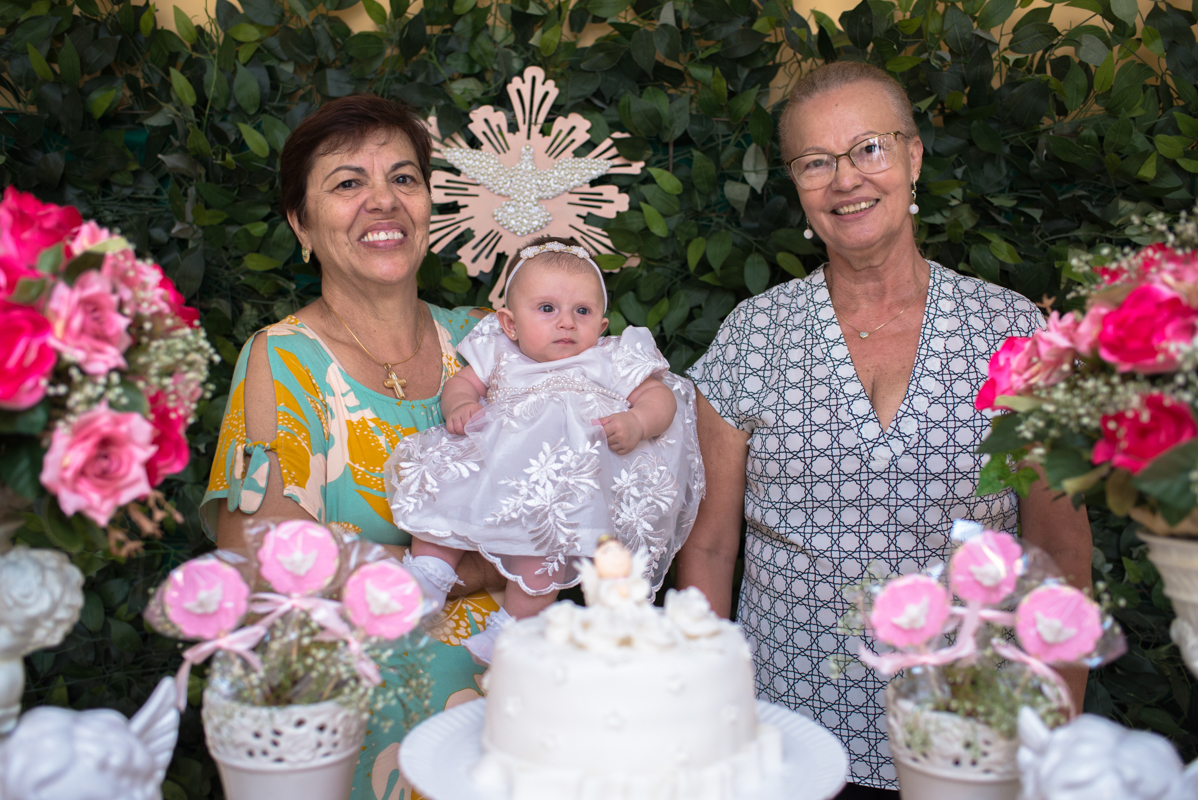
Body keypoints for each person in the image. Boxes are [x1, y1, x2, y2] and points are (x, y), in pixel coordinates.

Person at [675, 61, 1093, 798]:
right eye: (815, 162)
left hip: (969, 734)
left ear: (913, 156)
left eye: (869, 148)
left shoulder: (1012, 330)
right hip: (783, 739)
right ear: (797, 186)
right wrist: (705, 720)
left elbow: (1059, 548)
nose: (846, 179)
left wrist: (1056, 741)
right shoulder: (753, 335)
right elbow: (708, 546)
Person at [200, 94, 505, 800]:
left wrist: (395, 562)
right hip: (366, 729)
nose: (383, 201)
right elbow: (264, 556)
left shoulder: (489, 341)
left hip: (516, 714)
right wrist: (480, 566)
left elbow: (573, 497)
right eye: (347, 183)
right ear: (301, 224)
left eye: (403, 178)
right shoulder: (282, 360)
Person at [385, 237, 704, 662]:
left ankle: (515, 630)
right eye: (548, 308)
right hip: (495, 466)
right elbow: (462, 384)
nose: (567, 323)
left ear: (601, 326)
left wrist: (639, 421)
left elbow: (659, 396)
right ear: (510, 324)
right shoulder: (499, 350)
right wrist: (460, 405)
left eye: (582, 311)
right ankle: (429, 574)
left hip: (561, 489)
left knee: (544, 554)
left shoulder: (609, 357)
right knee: (448, 501)